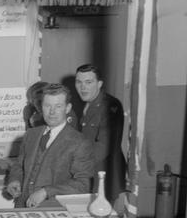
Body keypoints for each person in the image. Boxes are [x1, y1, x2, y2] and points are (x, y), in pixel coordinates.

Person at [7, 83, 94, 208]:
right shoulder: (30, 135)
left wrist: (47, 191)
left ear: (68, 108)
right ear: (41, 107)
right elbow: (19, 165)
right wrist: (14, 180)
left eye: (58, 106)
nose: (52, 112)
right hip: (22, 208)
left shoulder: (80, 142)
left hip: (55, 211)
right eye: (47, 106)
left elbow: (84, 184)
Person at [75, 64, 127, 201]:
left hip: (106, 176)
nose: (83, 87)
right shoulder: (80, 104)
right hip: (87, 175)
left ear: (99, 84)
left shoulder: (111, 105)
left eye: (88, 82)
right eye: (79, 82)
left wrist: (76, 165)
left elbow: (104, 146)